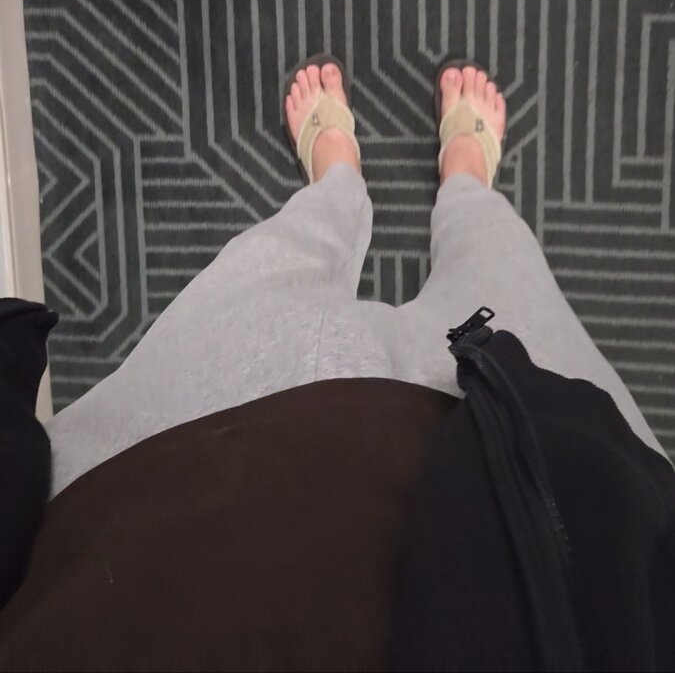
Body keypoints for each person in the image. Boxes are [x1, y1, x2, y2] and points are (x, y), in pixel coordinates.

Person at [0, 55, 673, 672]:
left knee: (285, 251)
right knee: (498, 263)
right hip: (554, 509)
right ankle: (464, 179)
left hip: (162, 474)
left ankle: (339, 180)